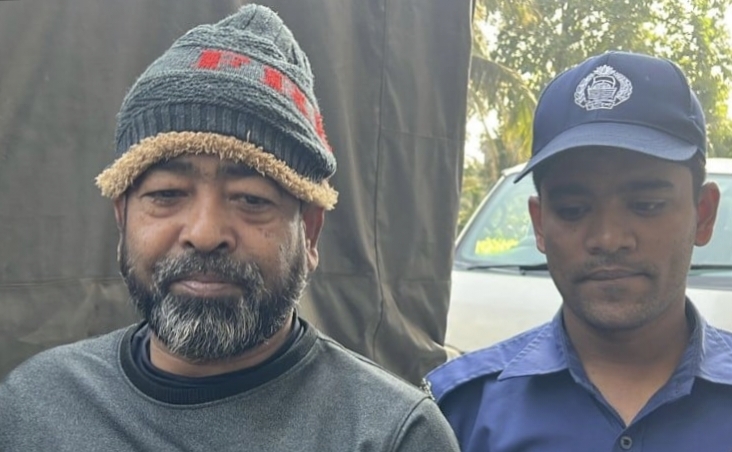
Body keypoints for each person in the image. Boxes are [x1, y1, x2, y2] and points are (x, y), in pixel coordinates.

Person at [0, 5, 459, 452]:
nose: (204, 233)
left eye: (251, 199)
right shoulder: (34, 406)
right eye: (167, 193)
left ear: (310, 232)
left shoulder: (394, 436)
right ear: (122, 217)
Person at [426, 51, 732, 451]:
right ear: (539, 224)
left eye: (646, 205)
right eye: (573, 210)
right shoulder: (455, 414)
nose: (609, 238)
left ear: (703, 214)